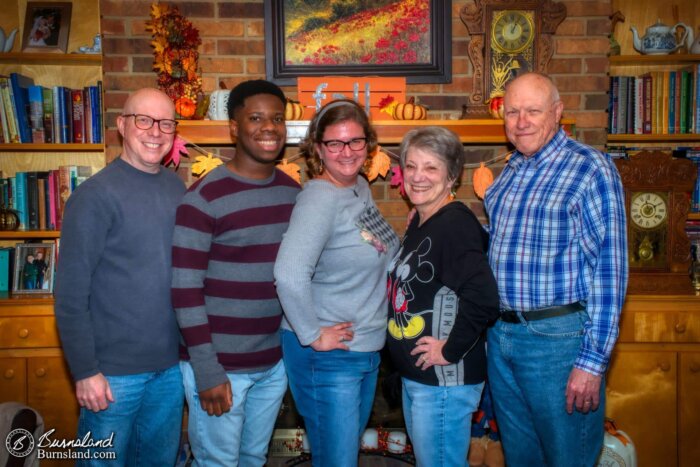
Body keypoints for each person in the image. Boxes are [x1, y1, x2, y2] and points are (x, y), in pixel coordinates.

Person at [484, 72, 628, 466]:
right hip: (502, 338)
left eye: (533, 110)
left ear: (558, 112)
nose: (521, 121)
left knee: (568, 458)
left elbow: (610, 271)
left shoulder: (590, 169)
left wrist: (592, 361)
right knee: (521, 458)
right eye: (512, 112)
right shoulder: (508, 175)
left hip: (557, 342)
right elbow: (506, 245)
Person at [54, 88, 186, 465]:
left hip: (170, 369)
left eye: (166, 123)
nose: (155, 131)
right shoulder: (94, 196)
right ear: (122, 126)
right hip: (112, 377)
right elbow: (70, 295)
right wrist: (85, 371)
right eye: (143, 120)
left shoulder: (177, 189)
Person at [172, 79, 300, 466]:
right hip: (220, 368)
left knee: (254, 459)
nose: (269, 127)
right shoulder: (204, 197)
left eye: (277, 118)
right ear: (233, 127)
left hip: (272, 365)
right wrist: (208, 371)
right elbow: (184, 290)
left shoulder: (293, 193)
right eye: (256, 117)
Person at [274, 99, 399, 467]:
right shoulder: (319, 198)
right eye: (335, 143)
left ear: (368, 144)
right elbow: (288, 274)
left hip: (362, 349)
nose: (347, 152)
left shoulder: (358, 186)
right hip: (327, 356)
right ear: (318, 149)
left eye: (356, 141)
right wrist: (312, 335)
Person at [386, 126, 500, 466]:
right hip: (422, 379)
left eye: (431, 168)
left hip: (444, 384)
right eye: (411, 166)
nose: (418, 177)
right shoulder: (424, 221)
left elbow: (483, 297)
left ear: (452, 177)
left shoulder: (454, 226)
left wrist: (449, 349)